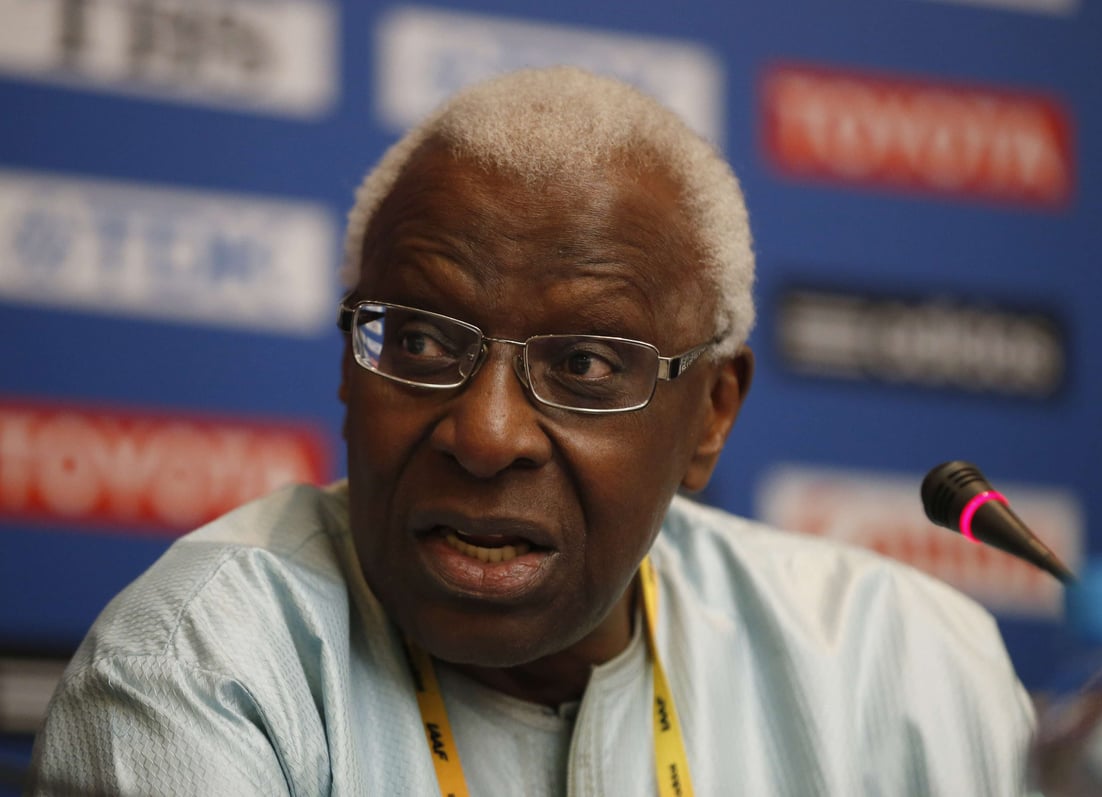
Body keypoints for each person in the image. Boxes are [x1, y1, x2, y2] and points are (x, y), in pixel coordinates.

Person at [29, 66, 1034, 795]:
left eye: (585, 365)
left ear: (710, 416)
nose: (486, 430)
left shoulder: (902, 663)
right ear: (346, 368)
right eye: (419, 342)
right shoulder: (201, 661)